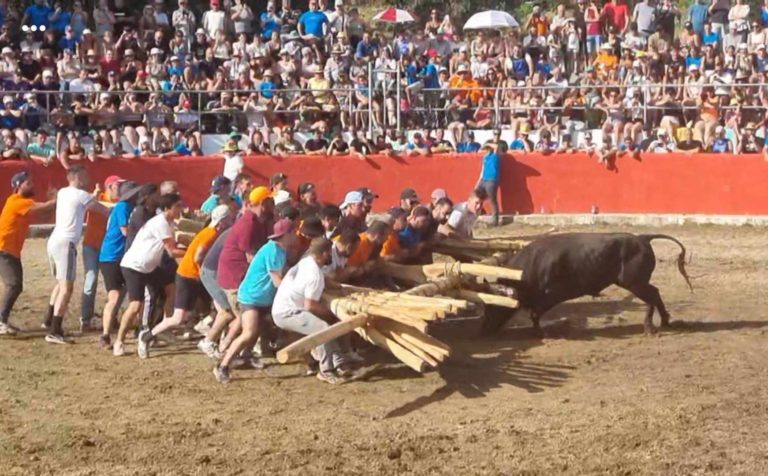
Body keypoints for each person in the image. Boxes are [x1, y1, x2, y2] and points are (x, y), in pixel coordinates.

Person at [138, 205, 232, 359]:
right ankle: (147, 336)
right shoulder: (210, 234)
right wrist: (205, 274)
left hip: (198, 277)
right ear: (221, 221)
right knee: (178, 318)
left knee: (222, 308)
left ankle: (211, 337)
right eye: (228, 219)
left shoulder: (214, 233)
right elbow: (198, 256)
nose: (231, 222)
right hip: (189, 277)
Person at [213, 218, 294, 383]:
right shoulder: (273, 250)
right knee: (249, 332)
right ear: (286, 235)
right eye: (293, 233)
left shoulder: (281, 250)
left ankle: (245, 356)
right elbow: (277, 280)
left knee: (257, 331)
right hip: (252, 296)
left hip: (263, 298)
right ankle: (222, 366)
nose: (296, 236)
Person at [113, 194, 185, 356]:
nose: (181, 209)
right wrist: (191, 253)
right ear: (168, 209)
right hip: (134, 266)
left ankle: (158, 329)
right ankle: (119, 341)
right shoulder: (161, 223)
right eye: (178, 206)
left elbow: (180, 233)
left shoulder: (169, 222)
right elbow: (172, 251)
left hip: (150, 267)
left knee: (168, 291)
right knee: (135, 306)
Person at [44, 166, 109, 344]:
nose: (87, 178)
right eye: (85, 175)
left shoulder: (64, 193)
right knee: (67, 288)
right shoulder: (81, 195)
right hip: (66, 244)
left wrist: (93, 195)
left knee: (60, 283)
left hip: (54, 240)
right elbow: (102, 209)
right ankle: (54, 330)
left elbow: (87, 202)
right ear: (78, 177)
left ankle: (48, 320)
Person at [271, 237, 348, 384]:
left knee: (325, 325)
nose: (331, 257)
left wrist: (337, 286)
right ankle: (326, 370)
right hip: (288, 313)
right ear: (324, 254)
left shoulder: (307, 261)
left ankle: (338, 361)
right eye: (330, 254)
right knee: (324, 329)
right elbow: (310, 305)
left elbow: (324, 280)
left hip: (283, 307)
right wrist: (331, 314)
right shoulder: (315, 276)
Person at [215, 186, 275, 365]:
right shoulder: (248, 223)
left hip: (246, 278)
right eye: (270, 201)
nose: (273, 204)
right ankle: (224, 350)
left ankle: (241, 354)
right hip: (235, 278)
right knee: (244, 319)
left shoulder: (261, 221)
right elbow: (251, 256)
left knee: (250, 320)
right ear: (263, 203)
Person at [0, 172, 56, 335]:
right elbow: (43, 208)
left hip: (11, 250)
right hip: (3, 249)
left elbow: (45, 213)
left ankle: (2, 320)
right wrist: (57, 199)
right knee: (14, 285)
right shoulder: (16, 202)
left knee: (16, 285)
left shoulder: (25, 202)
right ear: (18, 186)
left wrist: (53, 203)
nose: (32, 185)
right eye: (28, 183)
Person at [97, 180, 141, 349]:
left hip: (119, 256)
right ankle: (106, 334)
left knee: (124, 295)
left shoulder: (128, 207)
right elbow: (125, 231)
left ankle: (113, 331)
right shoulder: (123, 207)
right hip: (112, 257)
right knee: (115, 296)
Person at [80, 175, 123, 332]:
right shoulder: (97, 197)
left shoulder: (121, 204)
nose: (121, 190)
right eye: (118, 186)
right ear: (110, 187)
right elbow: (88, 206)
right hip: (92, 245)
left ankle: (111, 317)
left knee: (117, 286)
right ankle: (86, 319)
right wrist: (94, 195)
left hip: (110, 250)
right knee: (91, 280)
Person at [476, 145, 500, 227]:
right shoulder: (485, 158)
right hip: (484, 180)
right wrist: (478, 183)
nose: (485, 151)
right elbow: (482, 171)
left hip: (491, 180)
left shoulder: (495, 156)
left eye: (486, 149)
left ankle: (495, 221)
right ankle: (479, 214)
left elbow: (496, 147)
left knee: (492, 200)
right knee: (477, 197)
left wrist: (488, 144)